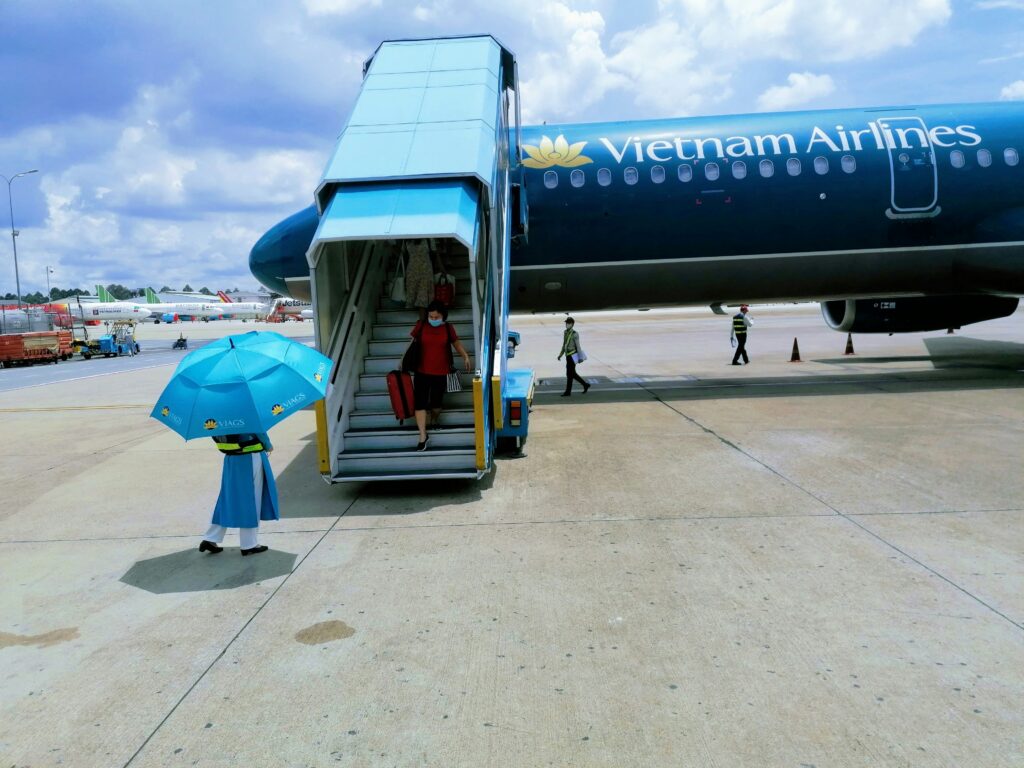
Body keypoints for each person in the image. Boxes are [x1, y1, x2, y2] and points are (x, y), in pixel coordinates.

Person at [199, 433, 279, 556]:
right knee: (252, 499)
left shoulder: (217, 414)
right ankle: (249, 544)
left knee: (227, 499)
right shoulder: (246, 412)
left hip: (231, 458)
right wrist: (268, 445)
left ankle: (211, 538)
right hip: (250, 457)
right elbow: (256, 428)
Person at [410, 300, 471, 451]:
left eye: (436, 317)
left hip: (441, 372)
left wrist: (465, 356)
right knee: (420, 403)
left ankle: (434, 419)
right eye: (431, 316)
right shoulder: (421, 325)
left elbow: (456, 343)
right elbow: (411, 343)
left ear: (443, 316)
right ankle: (422, 435)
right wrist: (402, 360)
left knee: (436, 405)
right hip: (421, 371)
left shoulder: (448, 329)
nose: (433, 319)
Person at [557, 316, 590, 397]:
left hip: (572, 356)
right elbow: (564, 345)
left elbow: (578, 346)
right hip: (567, 356)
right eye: (566, 323)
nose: (566, 325)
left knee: (569, 374)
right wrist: (560, 354)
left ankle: (568, 392)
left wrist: (580, 357)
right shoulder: (565, 332)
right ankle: (585, 385)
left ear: (572, 324)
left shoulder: (575, 334)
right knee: (571, 374)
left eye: (568, 323)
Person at [404, 239, 435, 322]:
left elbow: (435, 253)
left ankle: (422, 321)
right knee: (420, 296)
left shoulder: (428, 239)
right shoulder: (407, 240)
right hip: (413, 272)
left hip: (425, 271)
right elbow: (404, 254)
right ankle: (423, 321)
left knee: (423, 296)